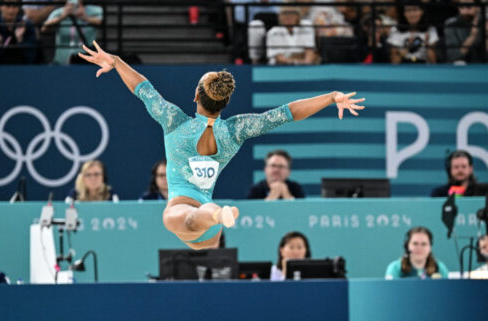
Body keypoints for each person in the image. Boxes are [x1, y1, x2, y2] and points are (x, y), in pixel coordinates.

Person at [79, 40, 364, 250]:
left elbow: (143, 89)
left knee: (179, 218)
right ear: (225, 103)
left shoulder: (176, 123)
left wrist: (116, 61)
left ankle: (214, 213)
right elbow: (286, 113)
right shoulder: (235, 131)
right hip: (211, 232)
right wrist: (330, 97)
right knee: (194, 220)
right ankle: (215, 213)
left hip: (182, 207)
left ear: (195, 96)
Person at [42, 0, 102, 65]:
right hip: (61, 62)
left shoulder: (96, 10)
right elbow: (44, 28)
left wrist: (85, 17)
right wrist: (62, 16)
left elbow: (104, 23)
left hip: (86, 61)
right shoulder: (58, 12)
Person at [0, 0, 38, 65]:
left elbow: (31, 57)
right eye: (8, 5)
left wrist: (20, 40)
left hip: (23, 69)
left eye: (15, 5)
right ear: (0, 6)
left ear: (19, 8)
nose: (11, 10)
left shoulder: (27, 26)